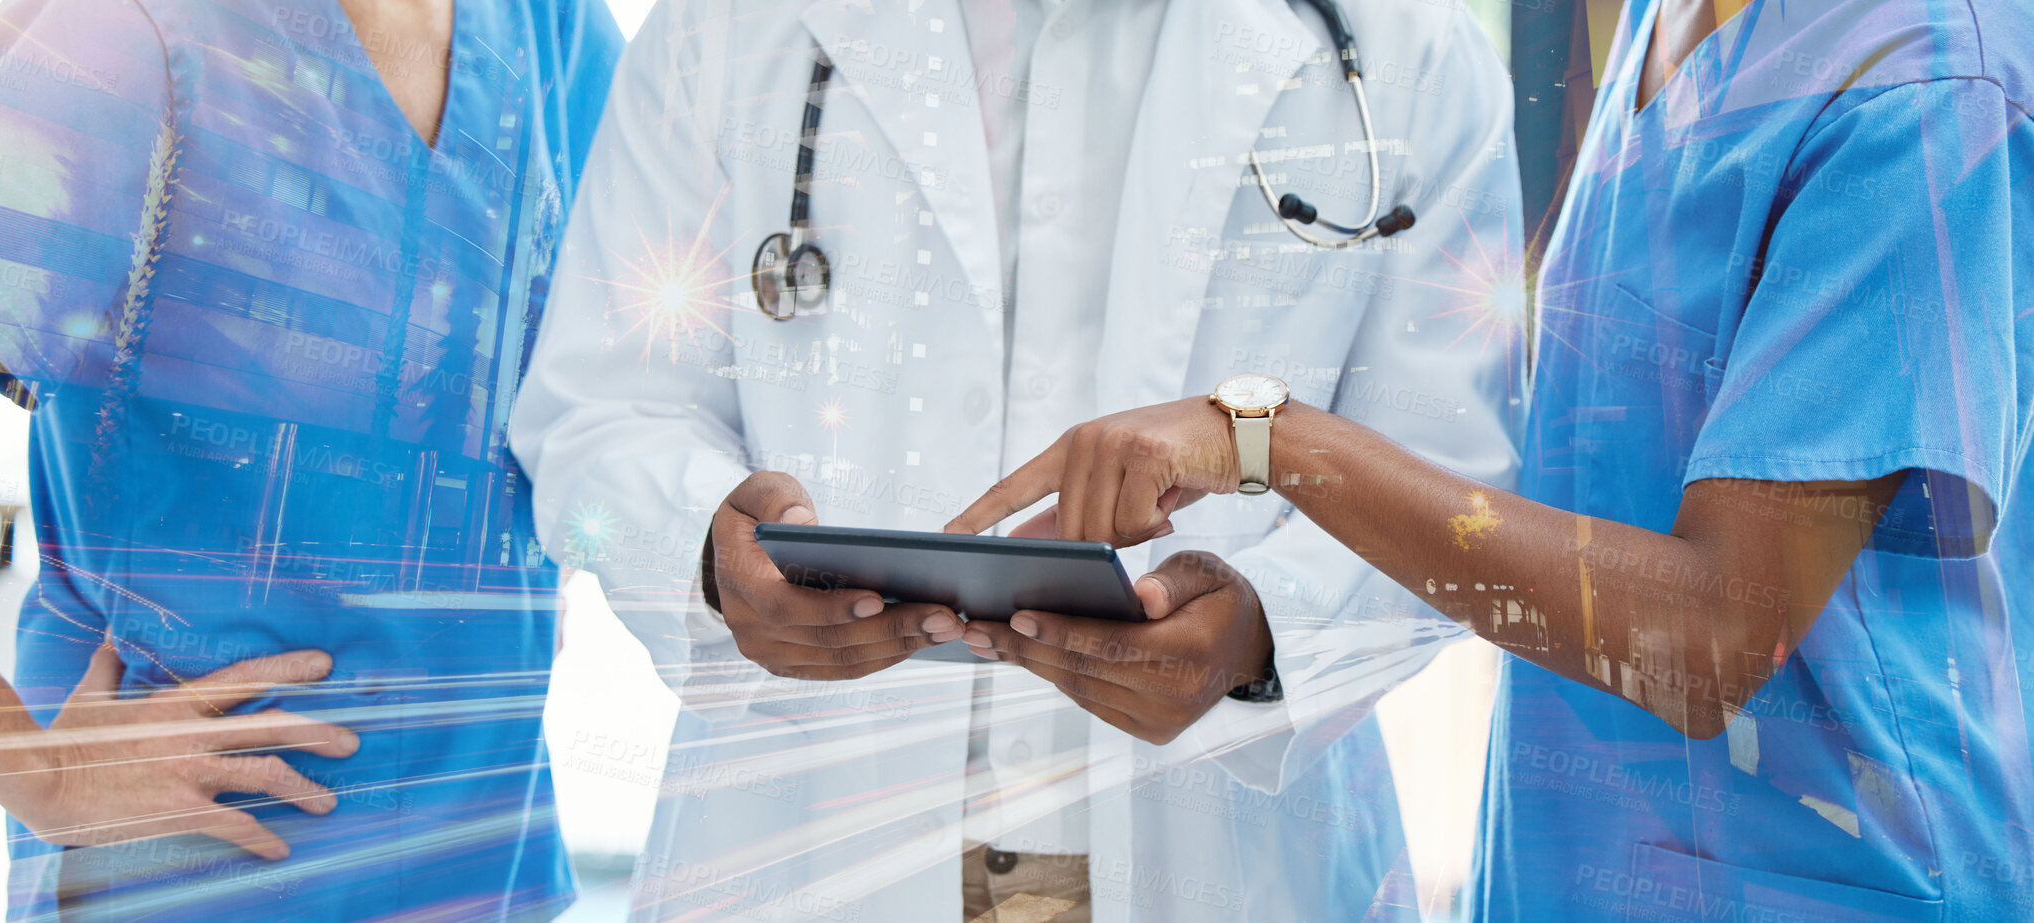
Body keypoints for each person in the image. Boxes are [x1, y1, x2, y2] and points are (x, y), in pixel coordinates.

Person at [946, 0, 2034, 919]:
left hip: (1831, 881)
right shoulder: (1674, 24)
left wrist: (1268, 436)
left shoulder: (1922, 83)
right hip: (1563, 867)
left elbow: (1711, 638)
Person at [509, 0, 1523, 918]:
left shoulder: (1409, 53)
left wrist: (1266, 633)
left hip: (1224, 852)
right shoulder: (719, 31)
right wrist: (704, 553)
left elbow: (1452, 479)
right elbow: (601, 405)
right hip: (804, 842)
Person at [0, 0, 620, 917]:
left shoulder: (558, 35)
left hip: (485, 858)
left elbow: (608, 396)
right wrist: (43, 773)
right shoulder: (138, 35)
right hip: (197, 871)